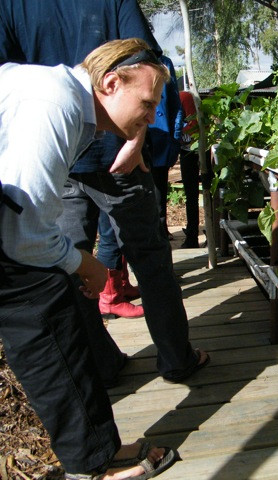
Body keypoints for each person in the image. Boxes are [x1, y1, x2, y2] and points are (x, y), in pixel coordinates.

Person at [0, 0, 210, 382]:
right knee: (149, 256)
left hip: (54, 153)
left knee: (68, 261)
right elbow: (150, 65)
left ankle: (102, 363)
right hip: (108, 148)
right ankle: (177, 358)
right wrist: (137, 136)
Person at [0, 38, 178, 480]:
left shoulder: (75, 110)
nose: (151, 117)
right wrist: (86, 264)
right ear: (111, 82)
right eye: (148, 102)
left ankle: (98, 451)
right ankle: (94, 465)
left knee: (54, 303)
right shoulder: (53, 104)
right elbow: (22, 237)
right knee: (44, 317)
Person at [149, 55, 183, 240]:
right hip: (131, 140)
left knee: (158, 196)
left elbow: (175, 105)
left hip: (160, 143)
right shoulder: (123, 58)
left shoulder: (164, 62)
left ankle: (161, 235)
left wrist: (174, 139)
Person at [179, 90, 202, 248]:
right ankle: (192, 234)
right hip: (186, 149)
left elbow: (194, 125)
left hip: (195, 149)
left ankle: (194, 235)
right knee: (191, 194)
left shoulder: (183, 97)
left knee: (194, 194)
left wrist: (176, 132)